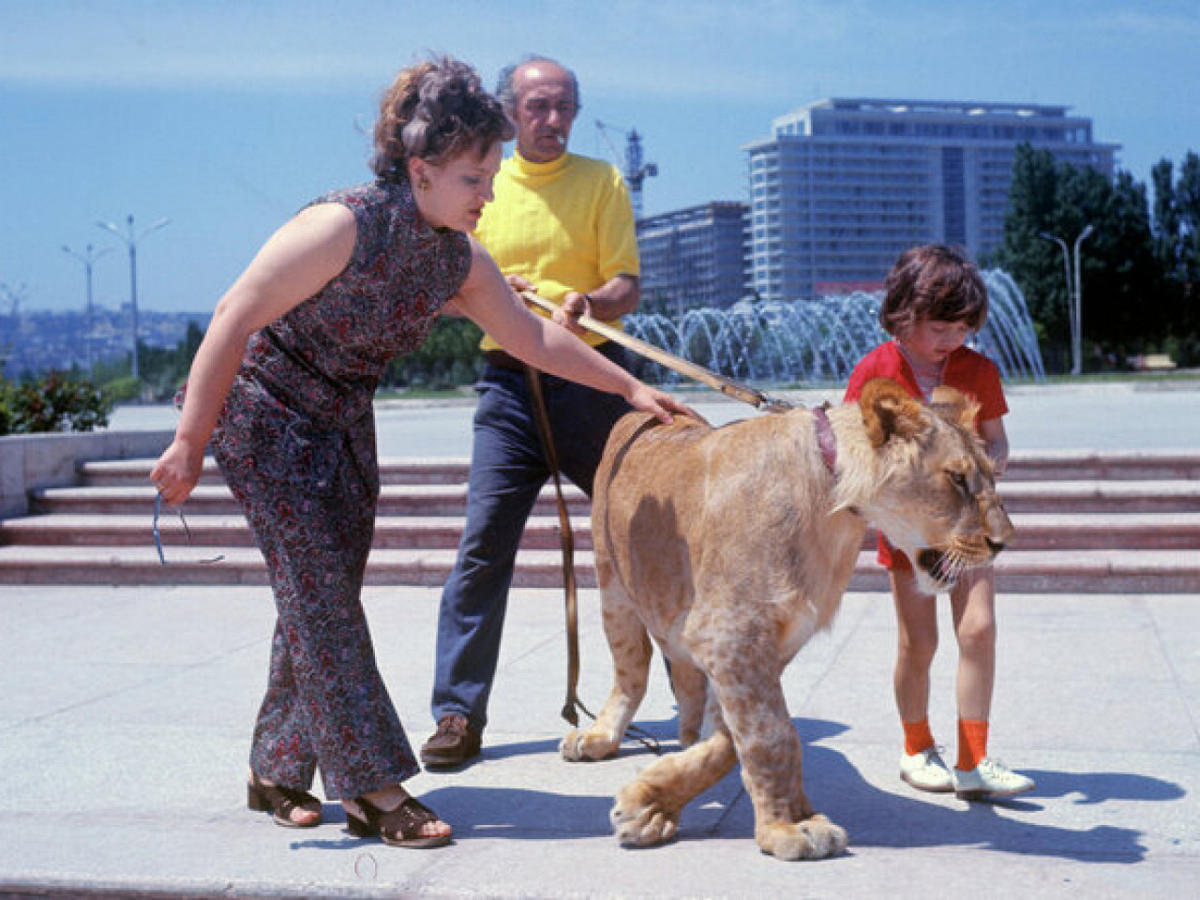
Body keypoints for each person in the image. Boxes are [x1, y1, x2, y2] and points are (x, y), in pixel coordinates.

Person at [149, 56, 688, 849]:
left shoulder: (457, 259)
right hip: (261, 416)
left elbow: (533, 337)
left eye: (492, 176)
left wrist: (631, 390)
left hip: (341, 422)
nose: (490, 195)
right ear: (421, 169)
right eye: (475, 178)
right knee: (323, 599)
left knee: (318, 597)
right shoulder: (343, 225)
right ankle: (371, 787)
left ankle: (275, 767)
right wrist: (190, 441)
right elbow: (233, 315)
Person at [421, 55, 642, 768]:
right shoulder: (482, 180)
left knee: (646, 534)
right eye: (538, 107)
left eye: (565, 107)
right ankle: (457, 713)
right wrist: (486, 287)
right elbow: (447, 275)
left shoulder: (601, 179)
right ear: (508, 112)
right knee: (482, 546)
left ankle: (692, 694)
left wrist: (589, 303)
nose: (553, 121)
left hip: (592, 380)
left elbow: (626, 285)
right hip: (509, 388)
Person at [843, 244, 1036, 801]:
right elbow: (858, 451)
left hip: (970, 525)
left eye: (962, 327)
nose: (952, 339)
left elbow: (998, 440)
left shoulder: (979, 370)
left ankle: (973, 760)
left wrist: (988, 460)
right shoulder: (875, 371)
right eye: (939, 328)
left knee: (978, 630)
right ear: (903, 314)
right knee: (918, 644)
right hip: (910, 534)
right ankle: (916, 746)